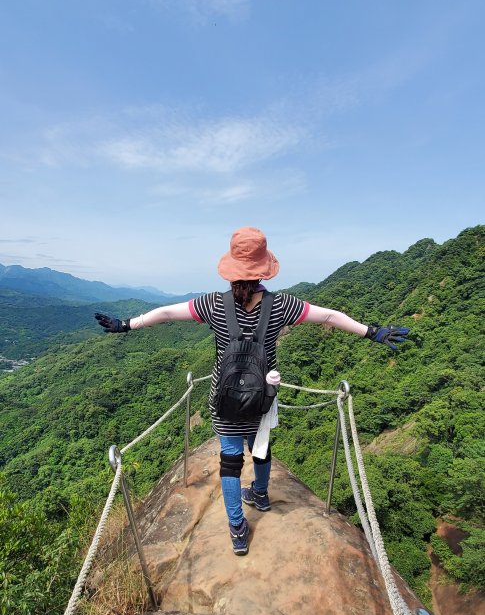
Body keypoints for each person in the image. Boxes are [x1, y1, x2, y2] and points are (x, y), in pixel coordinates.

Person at [96, 227, 409, 556]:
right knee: (260, 446)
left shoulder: (213, 304)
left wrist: (126, 325)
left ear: (231, 270)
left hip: (224, 399)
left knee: (230, 462)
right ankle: (260, 493)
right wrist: (373, 332)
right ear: (263, 270)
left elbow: (167, 313)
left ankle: (237, 529)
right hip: (263, 397)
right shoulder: (282, 305)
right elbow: (328, 315)